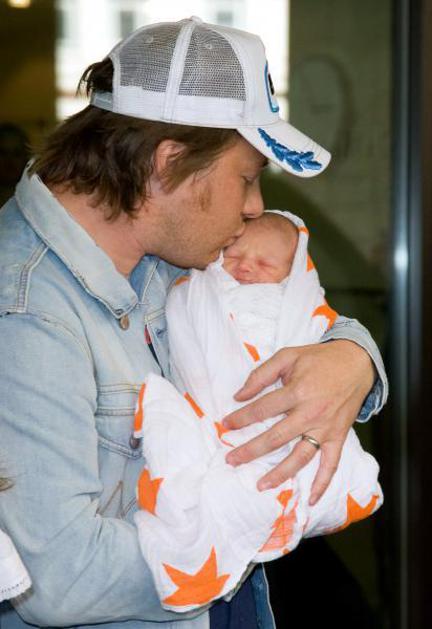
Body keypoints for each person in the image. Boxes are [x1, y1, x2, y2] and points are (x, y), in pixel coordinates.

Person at [0, 16, 387, 629]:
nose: (256, 207)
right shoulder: (24, 311)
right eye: (247, 179)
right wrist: (258, 522)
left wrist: (352, 357)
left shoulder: (157, 249)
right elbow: (62, 580)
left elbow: (288, 310)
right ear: (167, 165)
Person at [132, 211, 383, 611]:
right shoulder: (189, 281)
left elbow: (316, 318)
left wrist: (355, 354)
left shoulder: (293, 300)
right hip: (218, 436)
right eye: (233, 257)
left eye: (265, 264)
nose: (245, 268)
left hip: (287, 548)